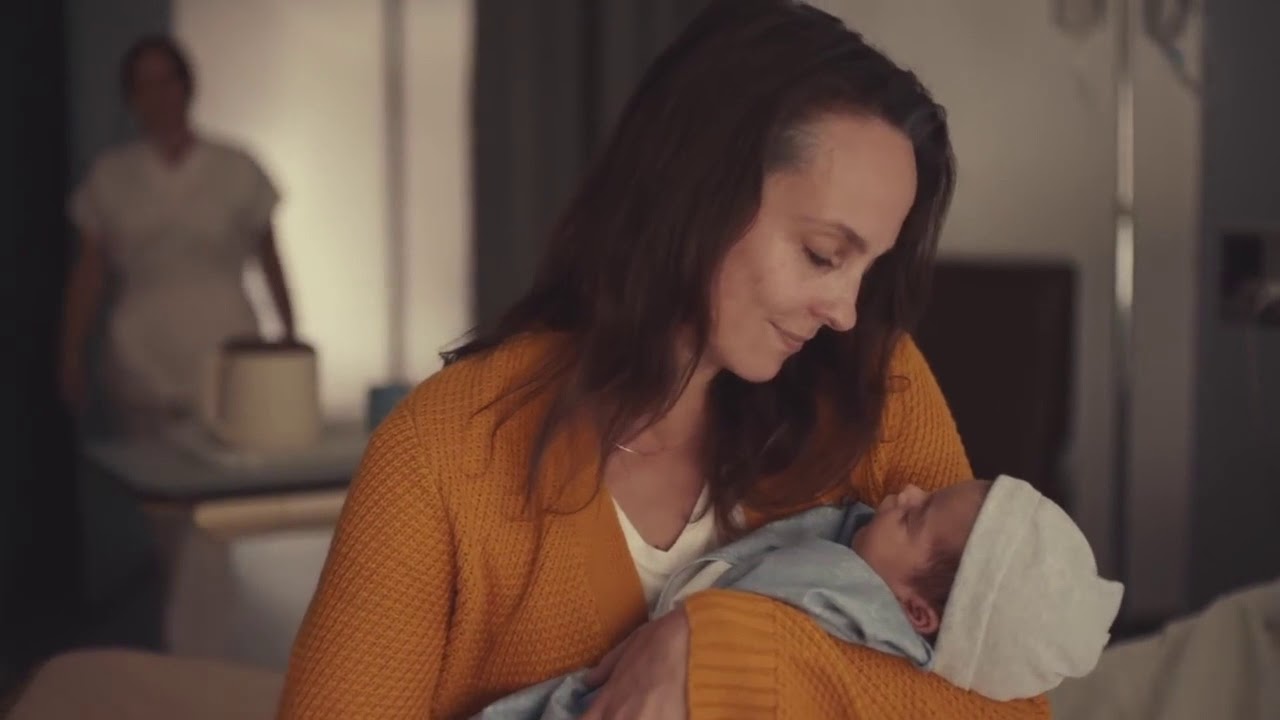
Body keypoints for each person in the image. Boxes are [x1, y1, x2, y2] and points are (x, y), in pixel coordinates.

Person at [281, 1, 1050, 717]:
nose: (846, 311)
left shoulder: (875, 388)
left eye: (869, 269)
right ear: (697, 190)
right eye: (822, 254)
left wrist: (728, 654)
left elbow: (1015, 706)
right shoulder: (446, 454)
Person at [475, 476, 1124, 718]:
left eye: (914, 517)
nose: (904, 492)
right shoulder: (865, 555)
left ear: (917, 614)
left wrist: (708, 635)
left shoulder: (846, 597)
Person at [60, 35, 294, 437]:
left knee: (229, 452)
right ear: (131, 97)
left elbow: (269, 257)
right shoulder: (111, 175)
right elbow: (89, 273)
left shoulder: (236, 165)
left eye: (166, 81)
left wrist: (289, 336)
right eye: (144, 85)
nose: (158, 96)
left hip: (226, 340)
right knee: (150, 462)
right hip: (141, 348)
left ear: (186, 85)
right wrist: (70, 352)